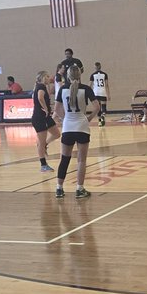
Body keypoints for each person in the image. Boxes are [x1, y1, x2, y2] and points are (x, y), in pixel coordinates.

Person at [54, 62, 97, 199]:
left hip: (68, 127)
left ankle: (59, 189)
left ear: (67, 76)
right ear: (80, 75)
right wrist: (88, 118)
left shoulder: (62, 89)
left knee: (65, 159)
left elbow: (57, 109)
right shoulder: (85, 89)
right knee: (81, 160)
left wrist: (64, 119)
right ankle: (80, 189)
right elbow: (97, 106)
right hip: (82, 127)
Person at [31, 70, 61, 172]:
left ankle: (44, 144)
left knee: (56, 134)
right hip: (39, 118)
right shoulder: (41, 87)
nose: (49, 78)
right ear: (43, 77)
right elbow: (40, 98)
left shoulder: (42, 86)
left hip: (46, 117)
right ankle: (43, 165)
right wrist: (46, 108)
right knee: (41, 142)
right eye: (47, 76)